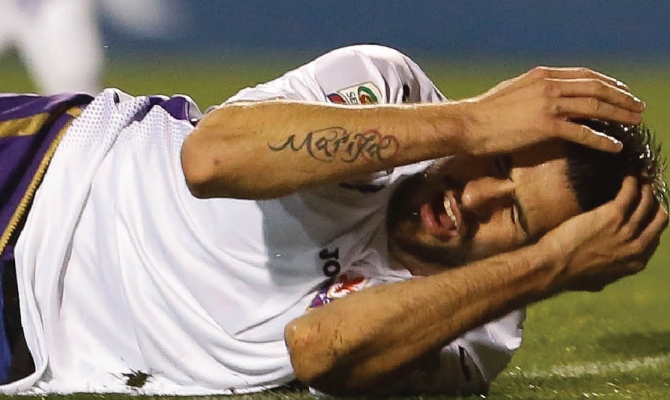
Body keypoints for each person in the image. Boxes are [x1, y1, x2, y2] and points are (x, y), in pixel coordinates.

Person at [0, 45, 665, 396]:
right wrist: (471, 122)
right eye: (496, 159)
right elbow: (211, 158)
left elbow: (319, 347)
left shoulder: (477, 332)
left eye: (513, 215)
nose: (474, 195)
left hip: (29, 346)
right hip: (42, 171)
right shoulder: (392, 89)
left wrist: (546, 268)